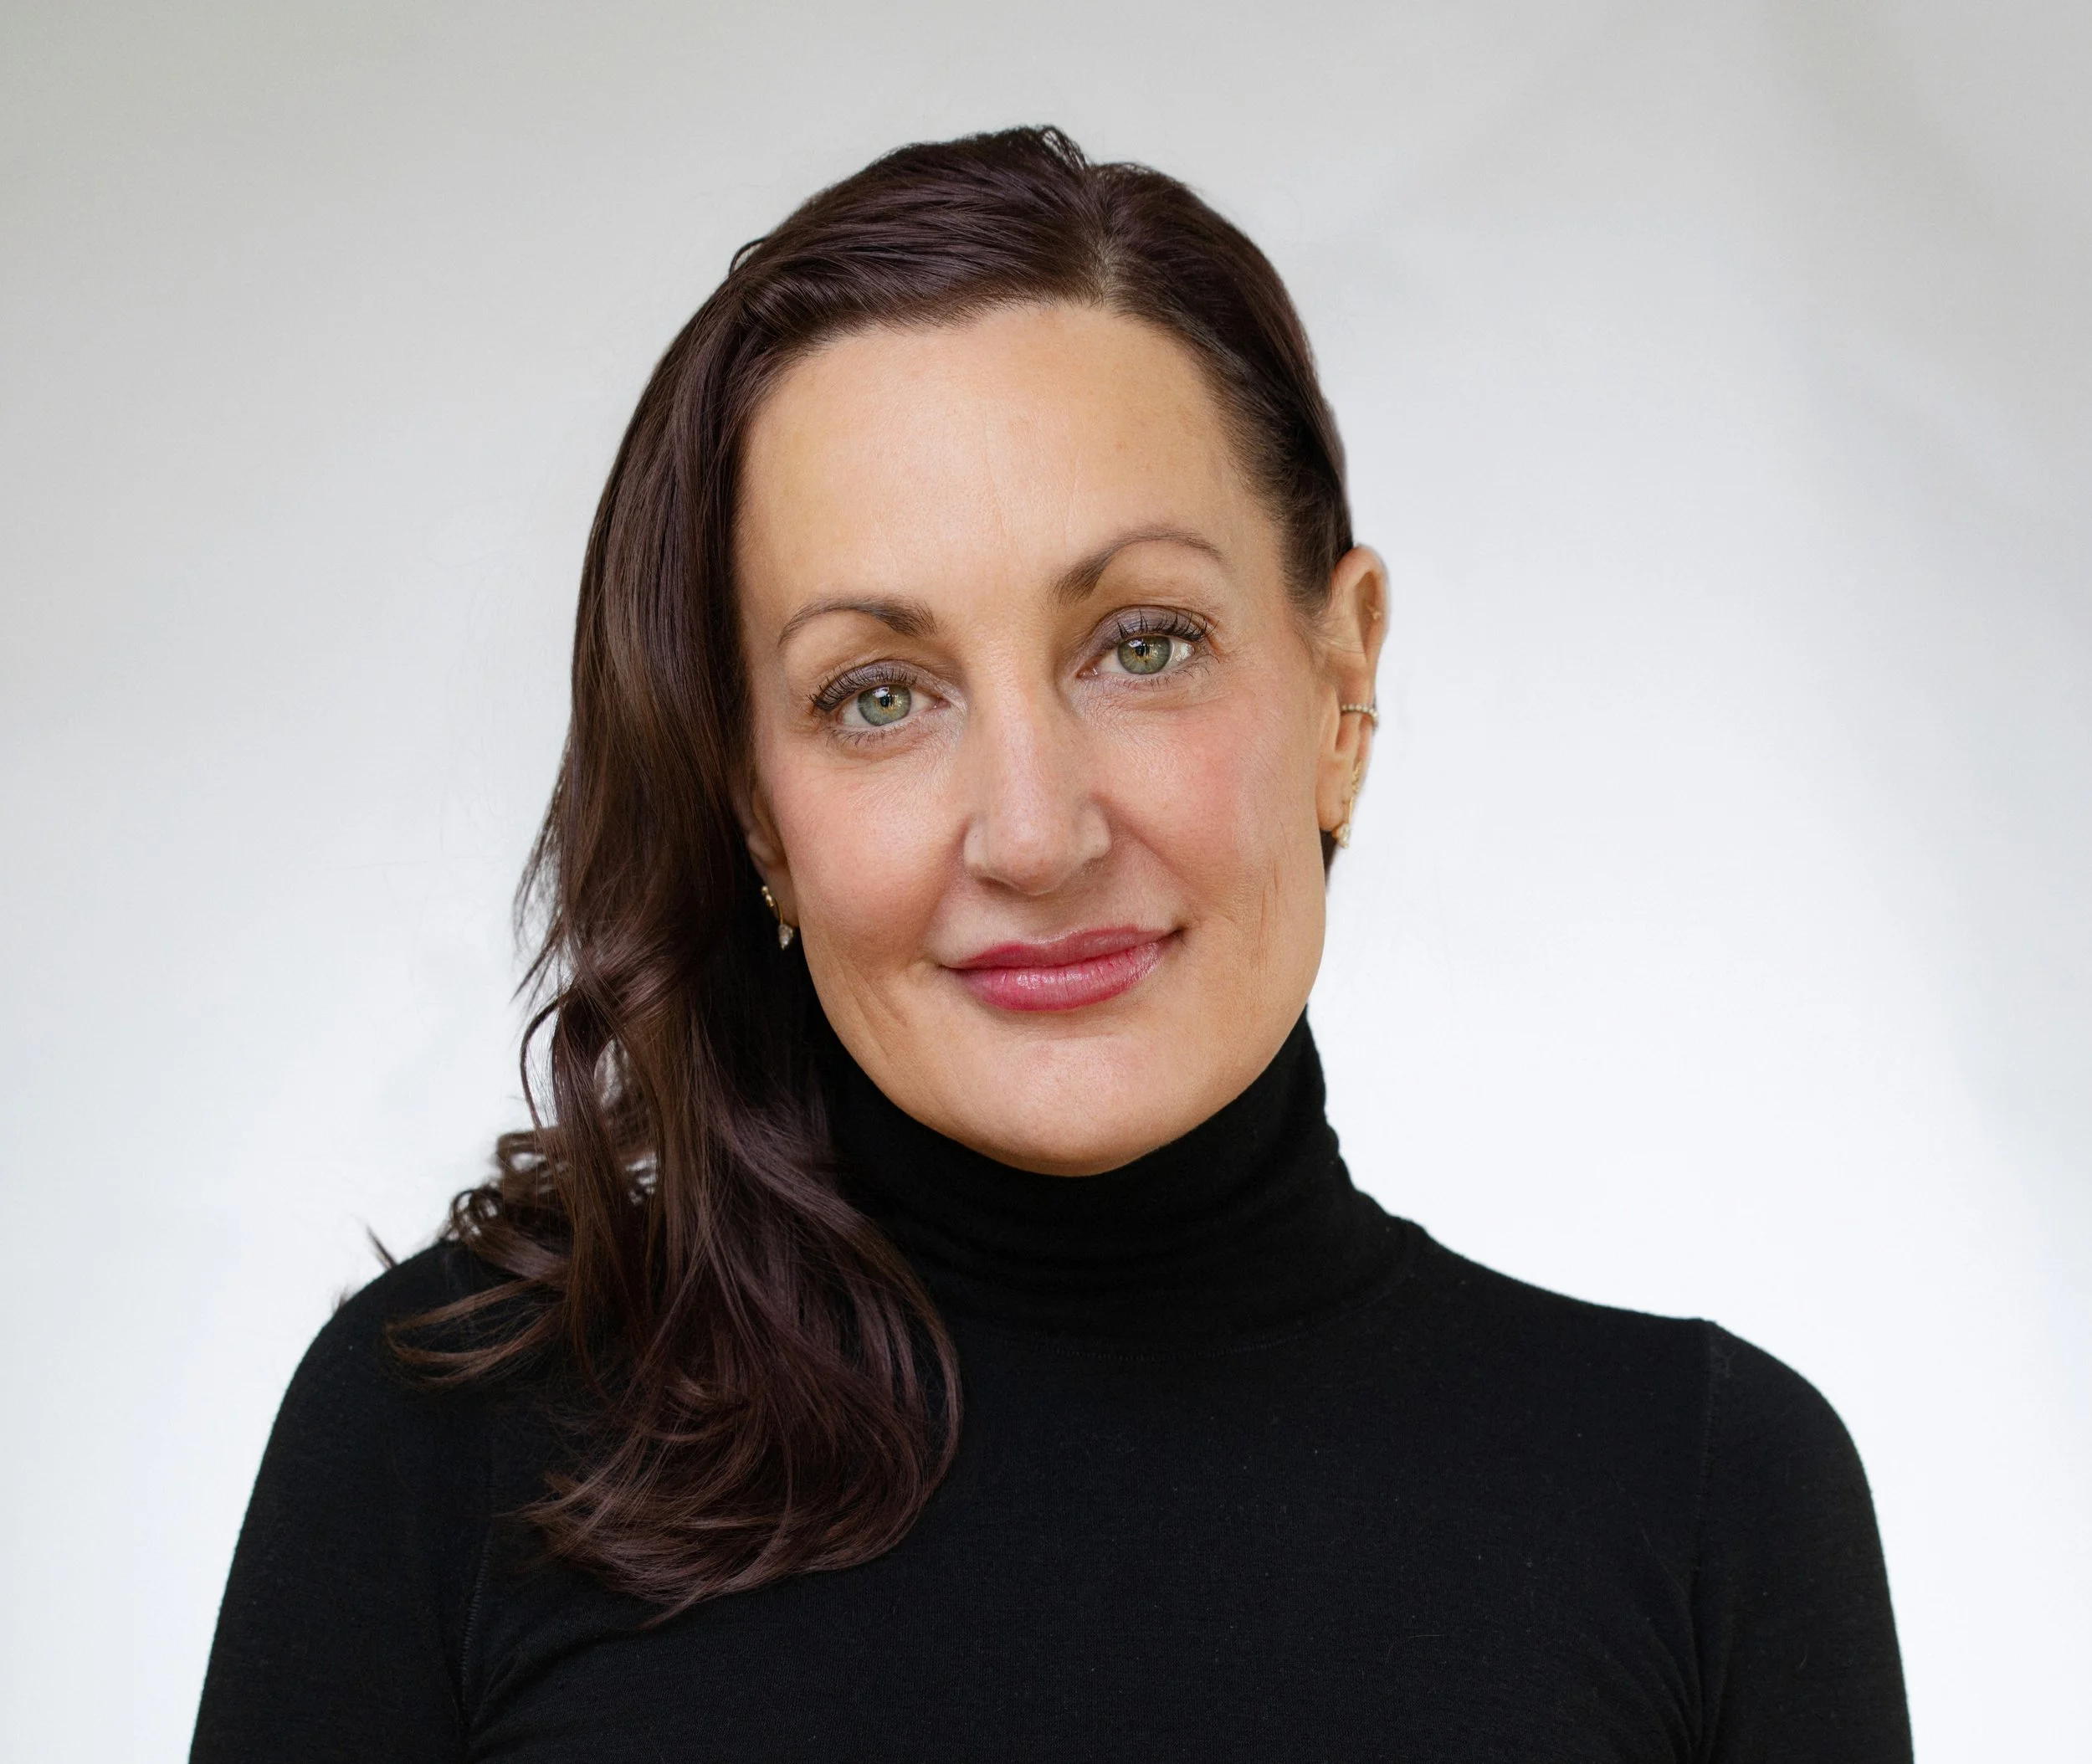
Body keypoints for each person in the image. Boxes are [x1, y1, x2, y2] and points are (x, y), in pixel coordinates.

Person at [192, 126, 1910, 1761]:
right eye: (876, 695)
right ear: (752, 802)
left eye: (1141, 644)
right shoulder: (442, 1453)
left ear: (1340, 679)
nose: (1033, 831)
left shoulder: (1702, 1502)